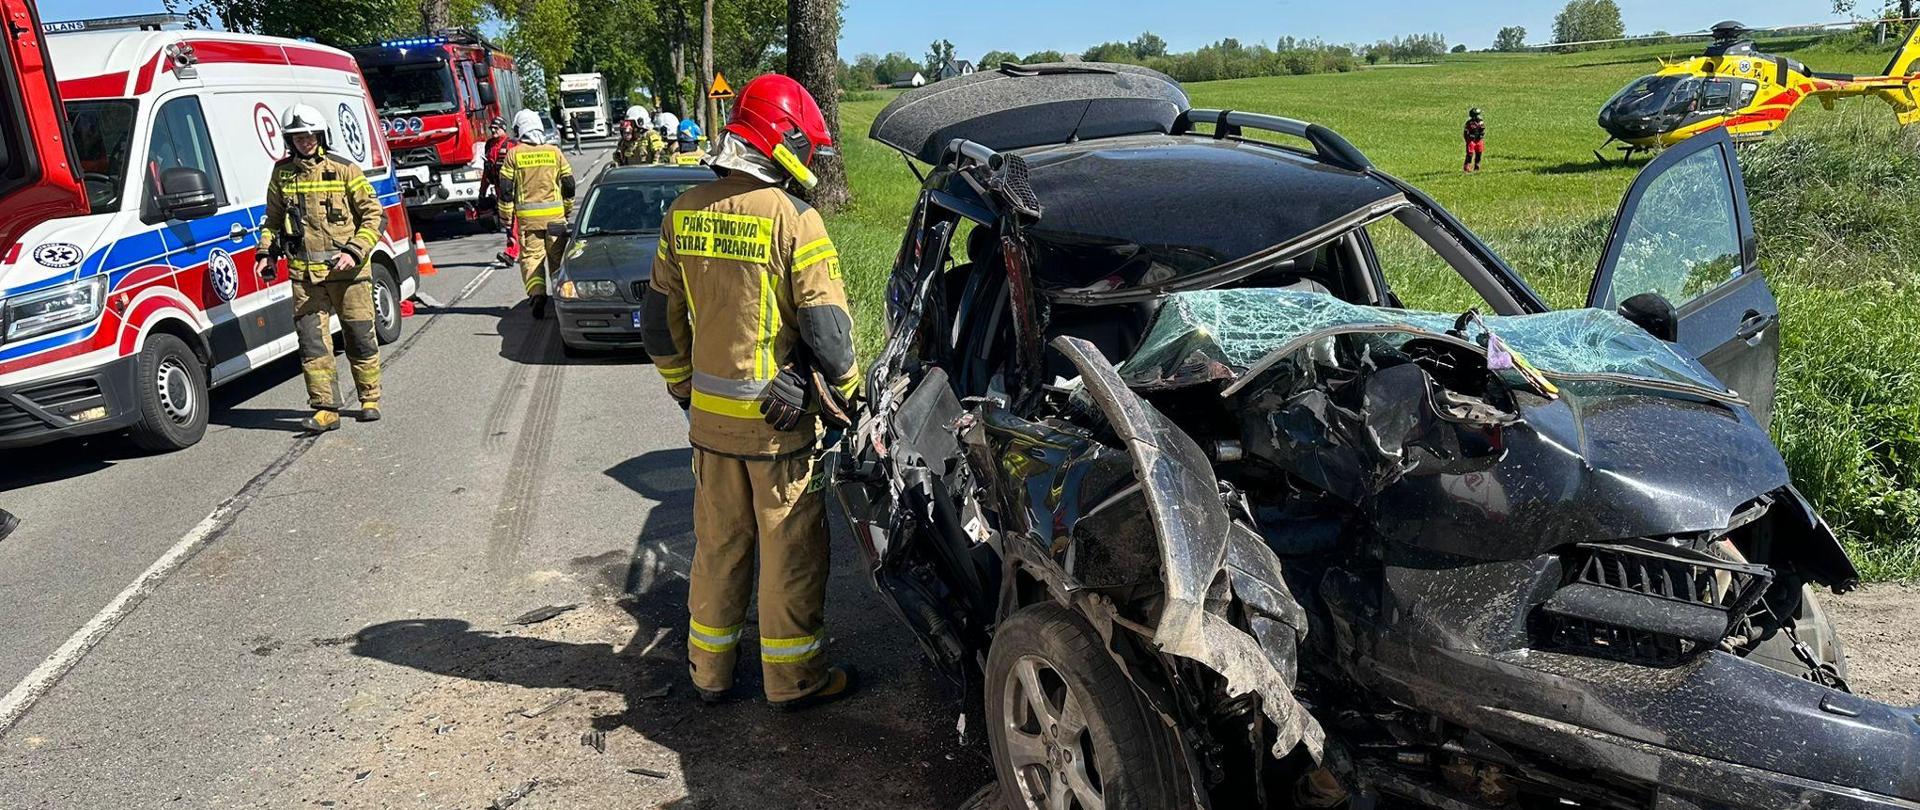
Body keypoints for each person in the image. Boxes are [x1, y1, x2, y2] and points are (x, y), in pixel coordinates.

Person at [641, 74, 859, 712]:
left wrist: (685, 392)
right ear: (783, 140)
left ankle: (709, 675)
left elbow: (658, 323)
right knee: (789, 554)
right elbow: (829, 333)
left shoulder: (683, 211)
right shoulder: (795, 220)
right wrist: (848, 396)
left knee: (718, 549)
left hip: (710, 428)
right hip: (777, 429)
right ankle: (792, 682)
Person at [255, 104, 387, 433]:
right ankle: (325, 407)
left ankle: (369, 398)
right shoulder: (282, 173)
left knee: (359, 336)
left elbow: (375, 216)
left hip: (349, 275)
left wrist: (355, 251)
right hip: (305, 278)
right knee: (313, 344)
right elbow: (271, 220)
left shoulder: (345, 169)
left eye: (310, 135)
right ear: (290, 140)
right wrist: (265, 253)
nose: (305, 141)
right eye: (298, 137)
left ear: (321, 135)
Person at [498, 109, 575, 319]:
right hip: (556, 220)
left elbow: (505, 188)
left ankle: (538, 294)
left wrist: (506, 217)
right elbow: (568, 184)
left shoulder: (514, 154)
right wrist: (567, 208)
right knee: (557, 260)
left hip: (529, 222)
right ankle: (562, 299)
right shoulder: (554, 152)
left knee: (532, 259)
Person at [482, 117, 520, 266]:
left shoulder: (512, 145)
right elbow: (487, 171)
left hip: (513, 189)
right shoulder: (489, 145)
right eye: (491, 128)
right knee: (507, 222)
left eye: (496, 128)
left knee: (512, 222)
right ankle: (515, 251)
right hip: (499, 190)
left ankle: (511, 252)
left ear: (504, 129)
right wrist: (482, 192)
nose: (493, 131)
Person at [1463, 107, 1486, 173]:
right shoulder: (1469, 123)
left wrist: (1482, 133)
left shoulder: (1481, 122)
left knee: (1479, 152)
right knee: (1470, 153)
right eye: (1477, 115)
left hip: (1479, 140)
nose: (1479, 116)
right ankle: (1467, 166)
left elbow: (1483, 129)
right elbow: (1465, 132)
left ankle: (1477, 165)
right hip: (1471, 140)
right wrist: (1467, 139)